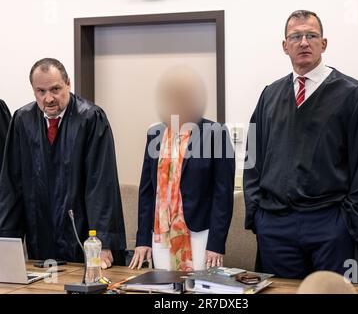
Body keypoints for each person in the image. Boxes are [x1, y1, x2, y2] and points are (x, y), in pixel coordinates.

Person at [244, 10, 358, 283]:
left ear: (324, 43)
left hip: (331, 226)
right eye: (296, 36)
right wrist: (257, 213)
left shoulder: (352, 94)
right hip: (276, 227)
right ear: (285, 46)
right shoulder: (269, 95)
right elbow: (253, 158)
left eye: (311, 35)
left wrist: (349, 224)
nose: (304, 42)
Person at [0, 58, 126, 267]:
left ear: (68, 83)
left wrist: (102, 243)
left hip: (83, 237)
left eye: (55, 89)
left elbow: (101, 184)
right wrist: (6, 241)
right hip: (41, 236)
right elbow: (12, 186)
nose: (48, 98)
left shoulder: (90, 118)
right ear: (33, 91)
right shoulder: (22, 120)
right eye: (41, 91)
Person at [129, 66, 235, 271]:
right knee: (164, 289)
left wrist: (216, 244)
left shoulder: (215, 133)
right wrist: (142, 239)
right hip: (161, 235)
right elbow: (147, 192)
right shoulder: (155, 133)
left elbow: (223, 195)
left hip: (199, 234)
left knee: (198, 290)